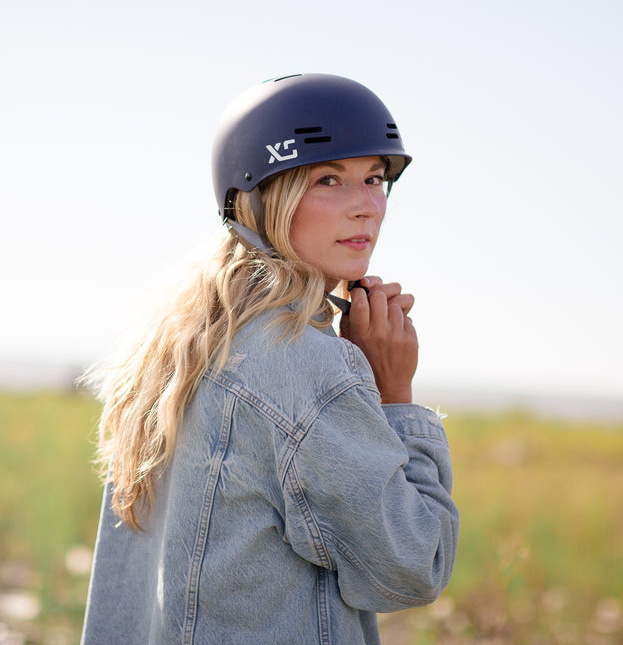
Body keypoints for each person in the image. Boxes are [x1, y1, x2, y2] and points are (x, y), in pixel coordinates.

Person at [80, 73, 459, 644]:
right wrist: (394, 395)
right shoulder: (304, 365)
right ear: (262, 200)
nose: (366, 207)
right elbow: (409, 569)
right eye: (328, 179)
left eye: (375, 179)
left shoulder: (180, 343)